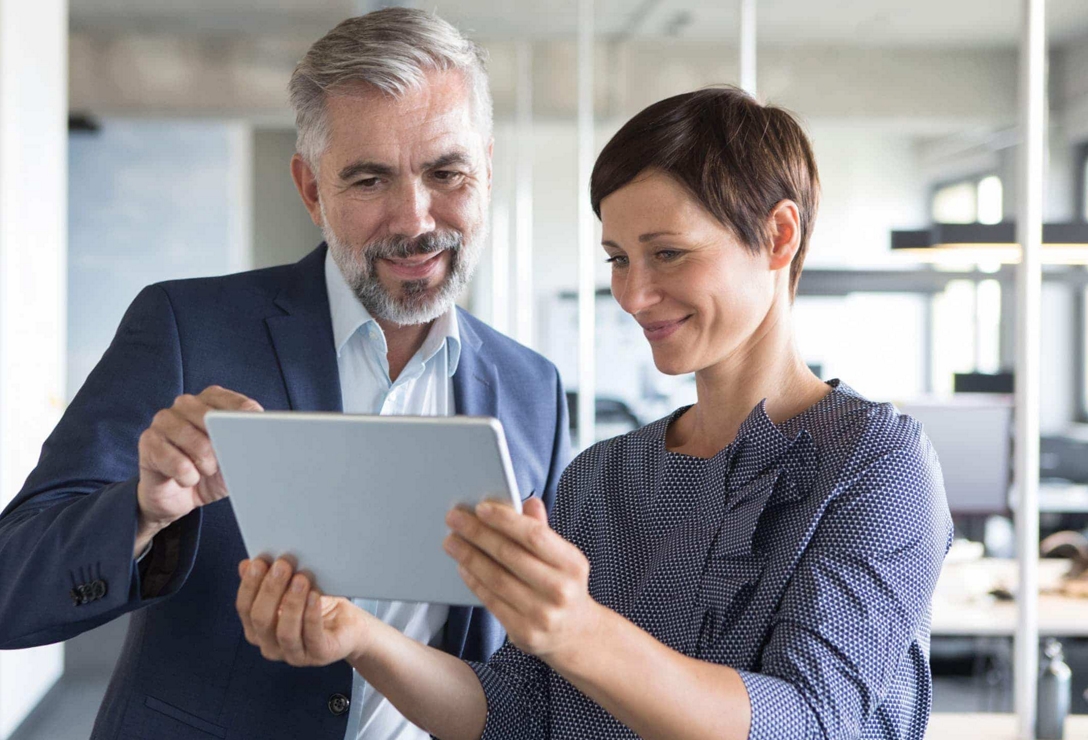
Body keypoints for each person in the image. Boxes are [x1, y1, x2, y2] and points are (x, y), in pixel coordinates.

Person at [236, 87, 954, 740]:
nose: (634, 296)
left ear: (779, 236)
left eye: (667, 254)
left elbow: (810, 721)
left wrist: (578, 631)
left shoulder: (875, 465)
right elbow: (514, 713)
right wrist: (360, 635)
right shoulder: (602, 476)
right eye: (617, 258)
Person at [0, 9, 570, 740]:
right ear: (312, 190)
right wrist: (145, 511)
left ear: (487, 171)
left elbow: (535, 666)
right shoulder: (186, 330)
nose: (414, 219)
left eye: (446, 172)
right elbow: (0, 599)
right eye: (370, 179)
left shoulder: (533, 388)